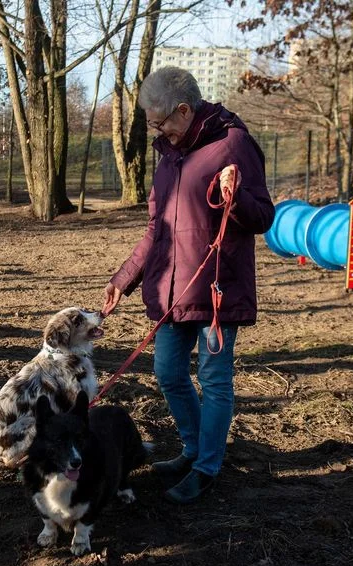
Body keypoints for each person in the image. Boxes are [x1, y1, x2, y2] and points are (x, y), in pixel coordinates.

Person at [101, 66, 275, 504]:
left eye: (158, 122)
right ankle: (194, 448)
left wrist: (234, 200)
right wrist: (124, 278)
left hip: (217, 288)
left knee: (214, 379)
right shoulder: (168, 154)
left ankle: (207, 467)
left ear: (183, 110)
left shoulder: (233, 143)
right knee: (167, 373)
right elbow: (155, 229)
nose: (154, 130)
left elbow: (263, 217)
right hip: (169, 291)